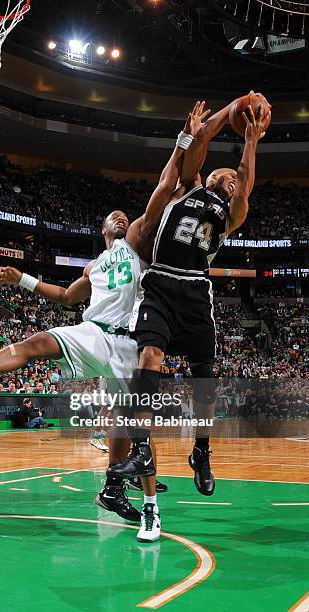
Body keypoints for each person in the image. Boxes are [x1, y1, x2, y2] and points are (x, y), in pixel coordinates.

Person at [0, 102, 208, 539]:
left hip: (132, 344)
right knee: (36, 342)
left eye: (124, 217)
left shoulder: (138, 247)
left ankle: (138, 501)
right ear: (102, 228)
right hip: (94, 333)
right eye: (115, 217)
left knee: (132, 428)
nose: (122, 217)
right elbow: (66, 296)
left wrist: (183, 142)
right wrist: (23, 280)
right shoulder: (94, 267)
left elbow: (167, 186)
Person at [108, 94, 270, 540]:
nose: (231, 179)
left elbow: (247, 182)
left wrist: (252, 141)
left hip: (196, 291)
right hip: (160, 283)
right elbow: (196, 146)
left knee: (204, 381)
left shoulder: (230, 214)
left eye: (234, 178)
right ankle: (141, 448)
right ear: (209, 176)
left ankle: (201, 449)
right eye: (224, 174)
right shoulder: (187, 188)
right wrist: (223, 115)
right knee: (148, 361)